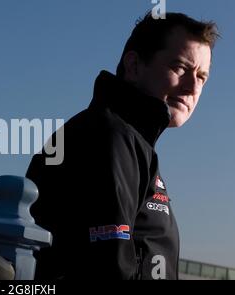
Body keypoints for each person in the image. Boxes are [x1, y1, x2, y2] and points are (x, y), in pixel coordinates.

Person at [26, 12, 219, 280]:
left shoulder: (132, 141)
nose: (191, 87)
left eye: (202, 77)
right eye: (180, 67)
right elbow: (107, 267)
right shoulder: (109, 136)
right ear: (134, 66)